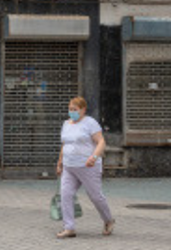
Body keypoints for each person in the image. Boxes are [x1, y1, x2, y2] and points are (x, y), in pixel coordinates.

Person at [55, 96, 114, 238]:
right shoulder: (66, 124)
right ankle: (69, 228)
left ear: (83, 110)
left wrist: (94, 157)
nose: (72, 112)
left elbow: (101, 142)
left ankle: (108, 220)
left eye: (75, 109)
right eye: (70, 109)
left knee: (95, 196)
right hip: (69, 167)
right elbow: (65, 144)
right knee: (66, 194)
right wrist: (60, 162)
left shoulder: (90, 123)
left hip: (88, 167)